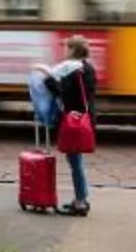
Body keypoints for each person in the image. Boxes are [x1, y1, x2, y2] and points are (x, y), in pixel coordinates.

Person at [44, 37, 99, 215]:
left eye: (67, 48)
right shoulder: (88, 68)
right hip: (84, 120)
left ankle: (81, 201)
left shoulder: (74, 71)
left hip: (73, 122)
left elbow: (59, 90)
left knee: (75, 162)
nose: (65, 51)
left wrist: (48, 77)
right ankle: (80, 198)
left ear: (73, 50)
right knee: (76, 161)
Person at [24, 58, 56, 149]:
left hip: (42, 109)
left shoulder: (35, 84)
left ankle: (41, 148)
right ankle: (46, 149)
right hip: (48, 107)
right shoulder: (48, 87)